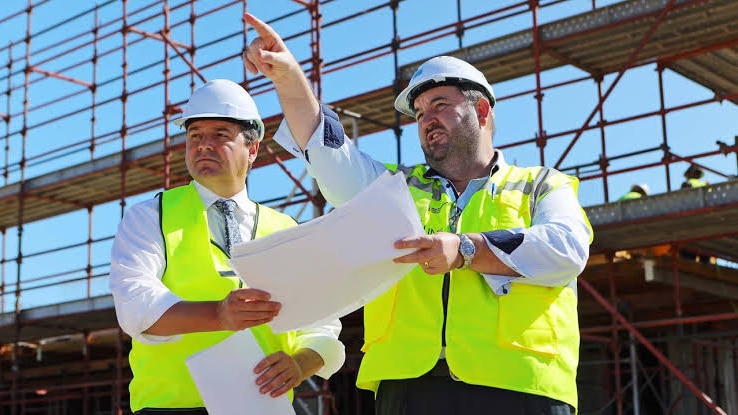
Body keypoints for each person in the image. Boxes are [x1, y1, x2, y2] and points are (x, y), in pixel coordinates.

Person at [242, 13, 593, 415]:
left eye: (439, 105)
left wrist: (465, 249)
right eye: (421, 112)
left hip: (520, 385)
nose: (426, 119)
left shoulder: (541, 184)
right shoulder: (397, 190)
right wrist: (288, 79)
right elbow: (329, 156)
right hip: (408, 389)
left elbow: (566, 250)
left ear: (480, 112)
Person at [109, 78, 345, 414]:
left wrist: (301, 364)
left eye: (220, 135)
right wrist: (219, 314)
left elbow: (323, 325)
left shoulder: (286, 230)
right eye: (195, 136)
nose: (203, 145)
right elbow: (135, 305)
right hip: (171, 407)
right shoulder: (150, 218)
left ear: (252, 149)